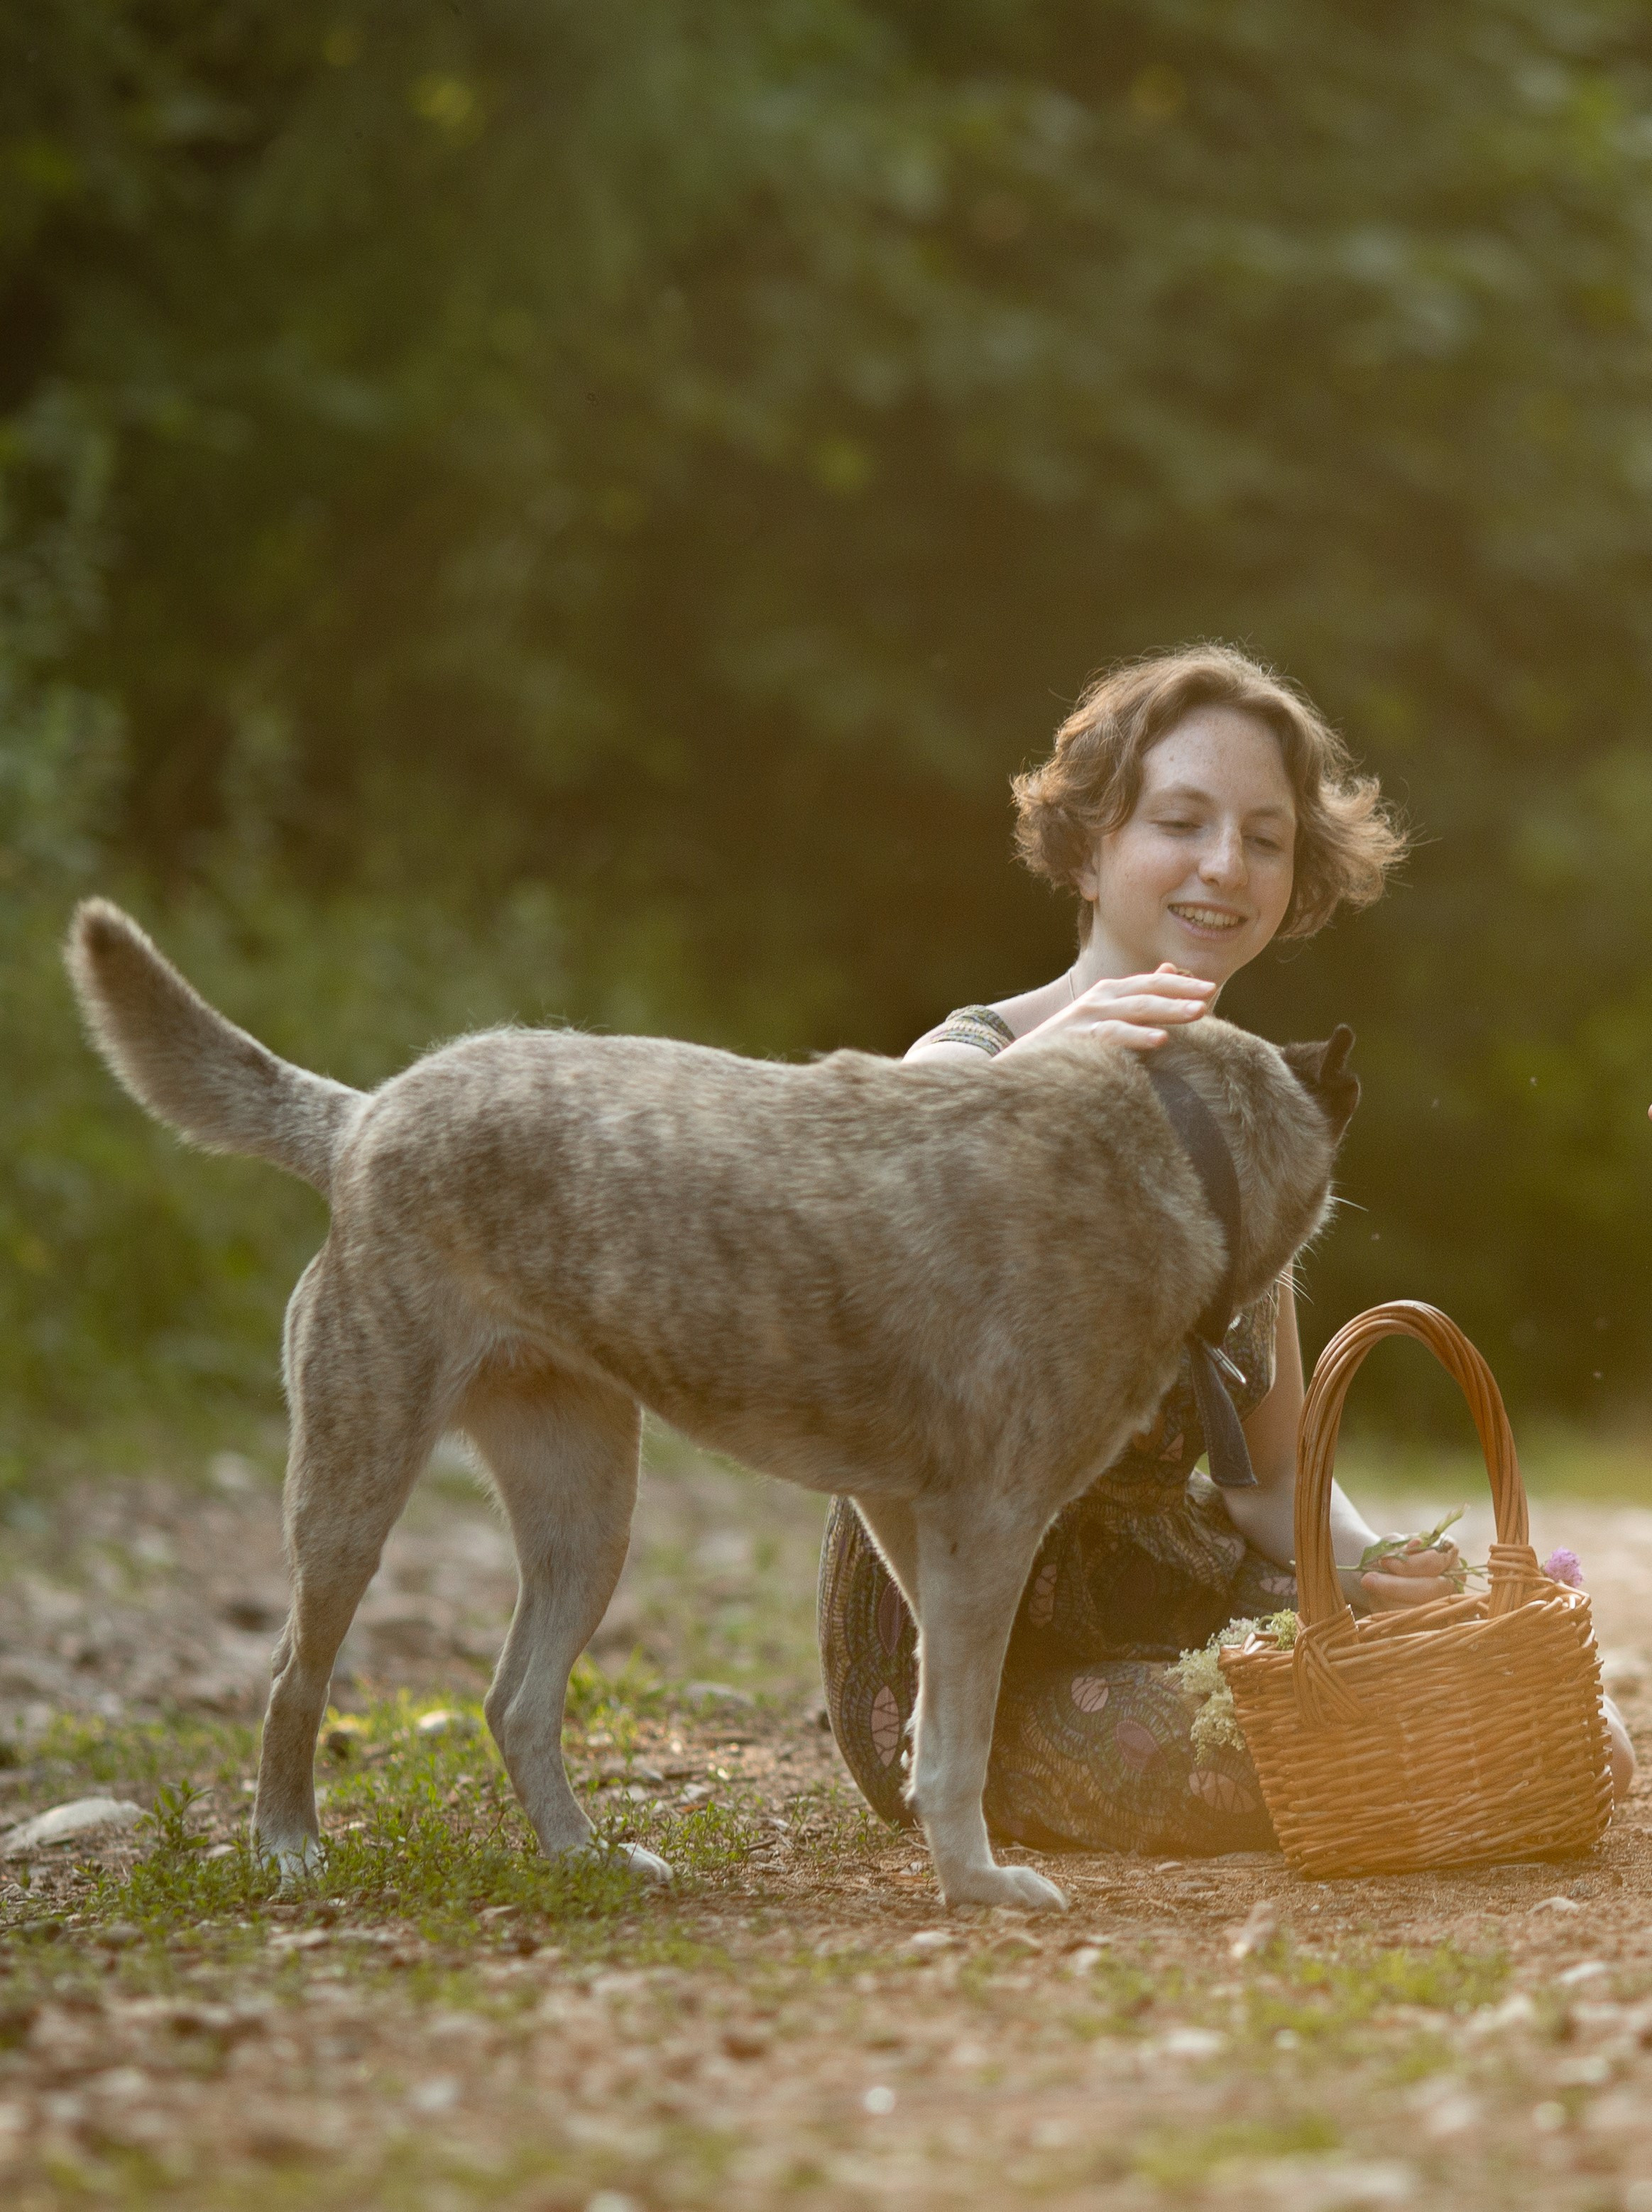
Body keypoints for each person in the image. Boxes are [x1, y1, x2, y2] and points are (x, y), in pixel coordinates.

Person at [817, 643, 1633, 1854]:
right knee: (1334, 1754)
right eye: (1180, 823)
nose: (1223, 867)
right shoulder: (972, 1060)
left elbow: (1266, 1477)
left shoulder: (1252, 1123)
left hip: (1173, 1597)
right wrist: (1049, 1081)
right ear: (1090, 849)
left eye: (1265, 837)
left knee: (1473, 1691)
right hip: (981, 1653)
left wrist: (1383, 1571)